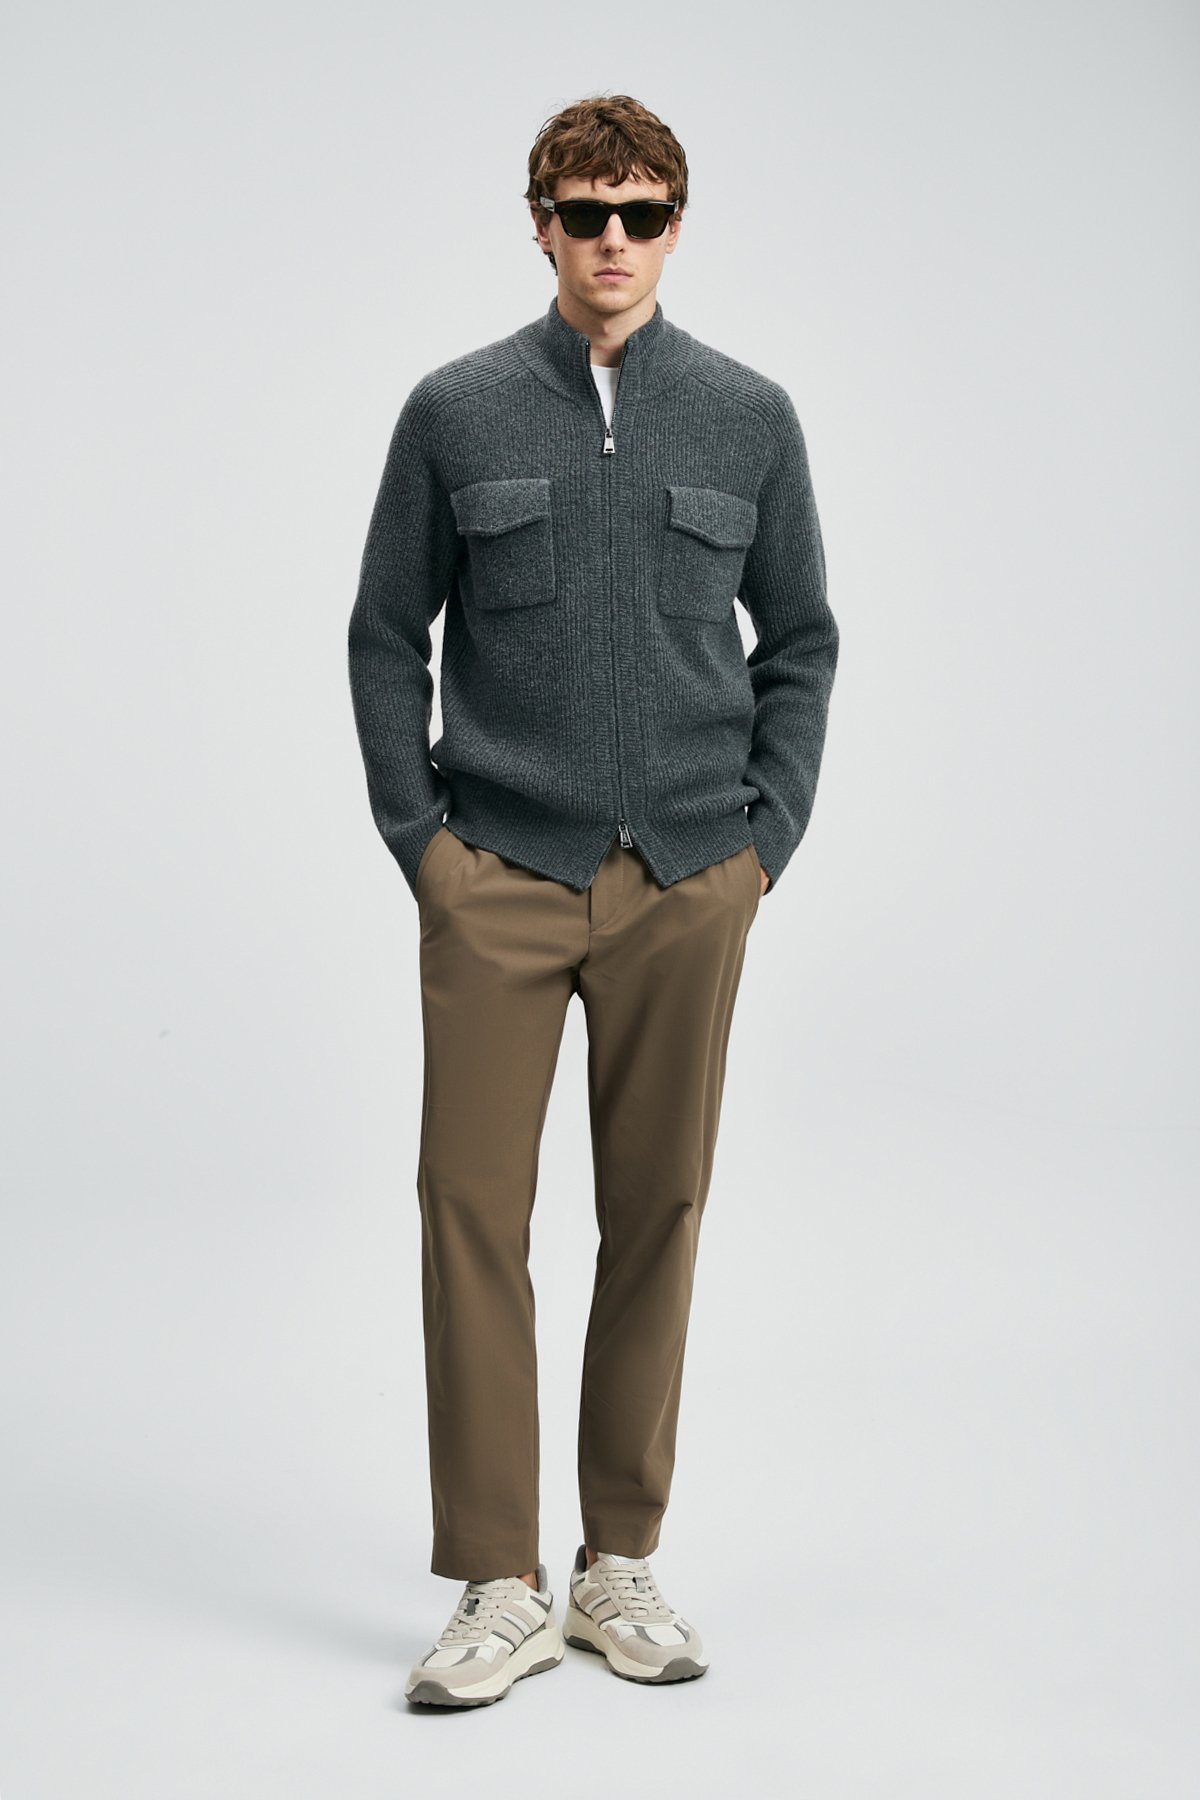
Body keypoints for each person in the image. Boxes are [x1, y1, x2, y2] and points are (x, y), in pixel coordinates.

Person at [347, 93, 839, 1709]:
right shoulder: (457, 409)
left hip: (688, 877)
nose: (612, 241)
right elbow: (384, 634)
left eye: (641, 213)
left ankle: (617, 1558)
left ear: (676, 227)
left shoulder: (750, 416)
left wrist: (762, 844)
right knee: (470, 1211)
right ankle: (499, 1579)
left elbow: (802, 640)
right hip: (497, 872)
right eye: (584, 213)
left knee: (660, 1210)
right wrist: (425, 845)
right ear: (541, 225)